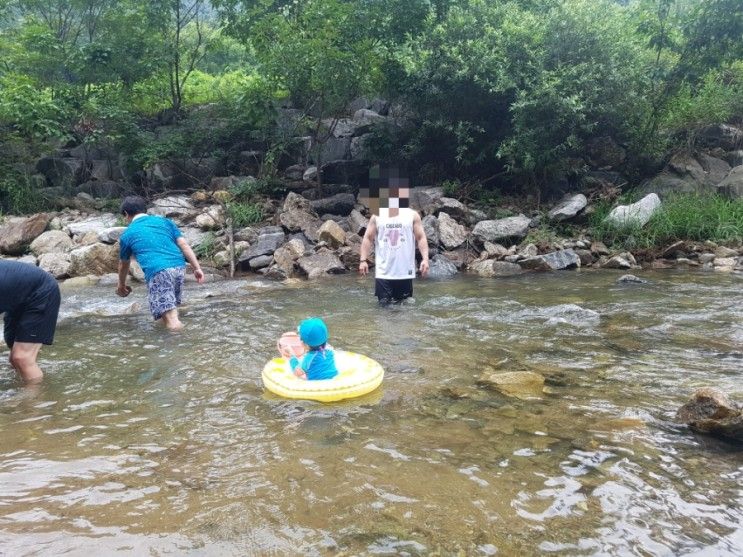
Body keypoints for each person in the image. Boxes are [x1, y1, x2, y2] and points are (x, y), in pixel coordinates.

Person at [116, 195, 205, 330]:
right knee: (168, 312)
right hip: (179, 267)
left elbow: (124, 264)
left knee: (172, 320)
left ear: (126, 214)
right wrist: (197, 268)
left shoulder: (127, 234)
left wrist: (121, 285)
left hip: (159, 271)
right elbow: (184, 245)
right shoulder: (165, 222)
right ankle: (168, 342)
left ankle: (184, 345)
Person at [358, 190, 429, 305]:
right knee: (384, 310)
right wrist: (363, 260)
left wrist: (425, 259)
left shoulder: (412, 215)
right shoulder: (377, 216)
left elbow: (421, 238)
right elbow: (367, 238)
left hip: (405, 272)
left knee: (405, 309)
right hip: (383, 272)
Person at [0, 260, 61, 383]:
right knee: (14, 358)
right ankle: (19, 385)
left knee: (22, 358)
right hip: (17, 295)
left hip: (42, 290)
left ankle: (33, 400)